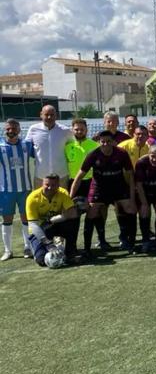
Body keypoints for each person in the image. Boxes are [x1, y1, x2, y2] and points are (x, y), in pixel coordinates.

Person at [70, 131, 138, 254]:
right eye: (103, 142)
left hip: (118, 186)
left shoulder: (121, 153)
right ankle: (87, 248)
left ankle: (131, 243)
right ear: (99, 142)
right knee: (92, 212)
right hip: (99, 188)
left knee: (130, 208)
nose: (105, 144)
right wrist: (70, 198)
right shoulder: (93, 155)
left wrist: (132, 199)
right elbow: (79, 177)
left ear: (113, 142)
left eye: (108, 141)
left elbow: (130, 176)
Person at [64, 118, 101, 253]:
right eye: (76, 129)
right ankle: (72, 246)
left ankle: (96, 243)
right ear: (72, 129)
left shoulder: (95, 146)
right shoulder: (67, 146)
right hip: (73, 183)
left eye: (82, 129)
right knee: (74, 215)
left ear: (86, 129)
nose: (79, 131)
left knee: (93, 213)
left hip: (91, 183)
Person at [25, 174, 79, 267]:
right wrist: (48, 243)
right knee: (41, 260)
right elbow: (33, 225)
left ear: (58, 185)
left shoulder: (63, 193)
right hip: (39, 230)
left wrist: (54, 219)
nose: (50, 187)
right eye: (47, 184)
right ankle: (51, 249)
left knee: (73, 221)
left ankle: (70, 252)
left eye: (53, 185)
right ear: (42, 183)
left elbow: (73, 213)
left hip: (54, 225)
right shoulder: (32, 198)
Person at [0, 119, 35, 261]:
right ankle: (8, 250)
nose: (11, 131)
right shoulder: (0, 146)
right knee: (6, 219)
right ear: (5, 130)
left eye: (14, 128)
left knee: (25, 218)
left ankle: (28, 246)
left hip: (25, 189)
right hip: (5, 191)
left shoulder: (27, 145)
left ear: (19, 130)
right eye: (8, 129)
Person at [26, 105, 72, 187]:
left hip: (61, 176)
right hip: (40, 176)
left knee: (61, 200)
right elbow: (26, 146)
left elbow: (74, 147)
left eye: (52, 114)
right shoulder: (33, 129)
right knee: (40, 200)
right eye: (46, 114)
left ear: (56, 115)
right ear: (41, 115)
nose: (49, 117)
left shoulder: (65, 131)